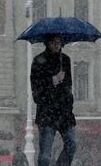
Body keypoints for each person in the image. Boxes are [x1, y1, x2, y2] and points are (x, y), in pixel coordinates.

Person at [31, 35, 76, 166]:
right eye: (53, 42)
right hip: (47, 113)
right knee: (45, 154)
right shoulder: (39, 61)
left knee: (72, 144)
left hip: (64, 112)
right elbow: (36, 88)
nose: (57, 45)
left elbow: (69, 84)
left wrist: (69, 102)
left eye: (59, 42)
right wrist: (54, 80)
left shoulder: (65, 60)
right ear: (47, 43)